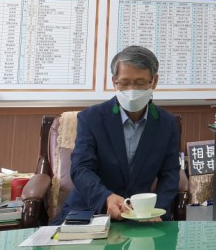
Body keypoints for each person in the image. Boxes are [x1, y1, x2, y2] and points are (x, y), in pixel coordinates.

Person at [54, 45, 180, 224]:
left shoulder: (166, 123)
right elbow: (81, 169)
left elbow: (170, 174)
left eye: (139, 83)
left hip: (141, 217)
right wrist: (106, 197)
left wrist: (156, 210)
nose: (131, 90)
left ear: (154, 81)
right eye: (124, 83)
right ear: (114, 82)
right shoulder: (91, 118)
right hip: (91, 211)